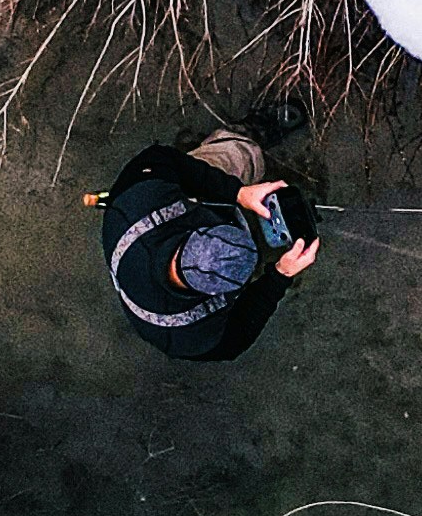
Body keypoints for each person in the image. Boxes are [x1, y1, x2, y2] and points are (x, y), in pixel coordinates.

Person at [98, 126, 321, 364]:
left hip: (177, 204)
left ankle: (244, 136)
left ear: (195, 233)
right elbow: (239, 335)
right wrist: (280, 275)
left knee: (237, 156)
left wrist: (238, 192)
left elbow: (160, 158)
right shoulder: (187, 337)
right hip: (180, 226)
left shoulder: (138, 204)